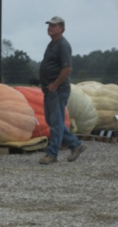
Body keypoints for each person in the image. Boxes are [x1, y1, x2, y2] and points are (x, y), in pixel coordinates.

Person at [39, 16, 85, 164]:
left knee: (56, 123)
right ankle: (76, 145)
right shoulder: (52, 44)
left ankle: (52, 155)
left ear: (61, 29)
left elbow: (67, 68)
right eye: (49, 26)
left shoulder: (63, 45)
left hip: (58, 90)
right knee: (52, 120)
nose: (50, 28)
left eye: (54, 26)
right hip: (50, 89)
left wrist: (55, 84)